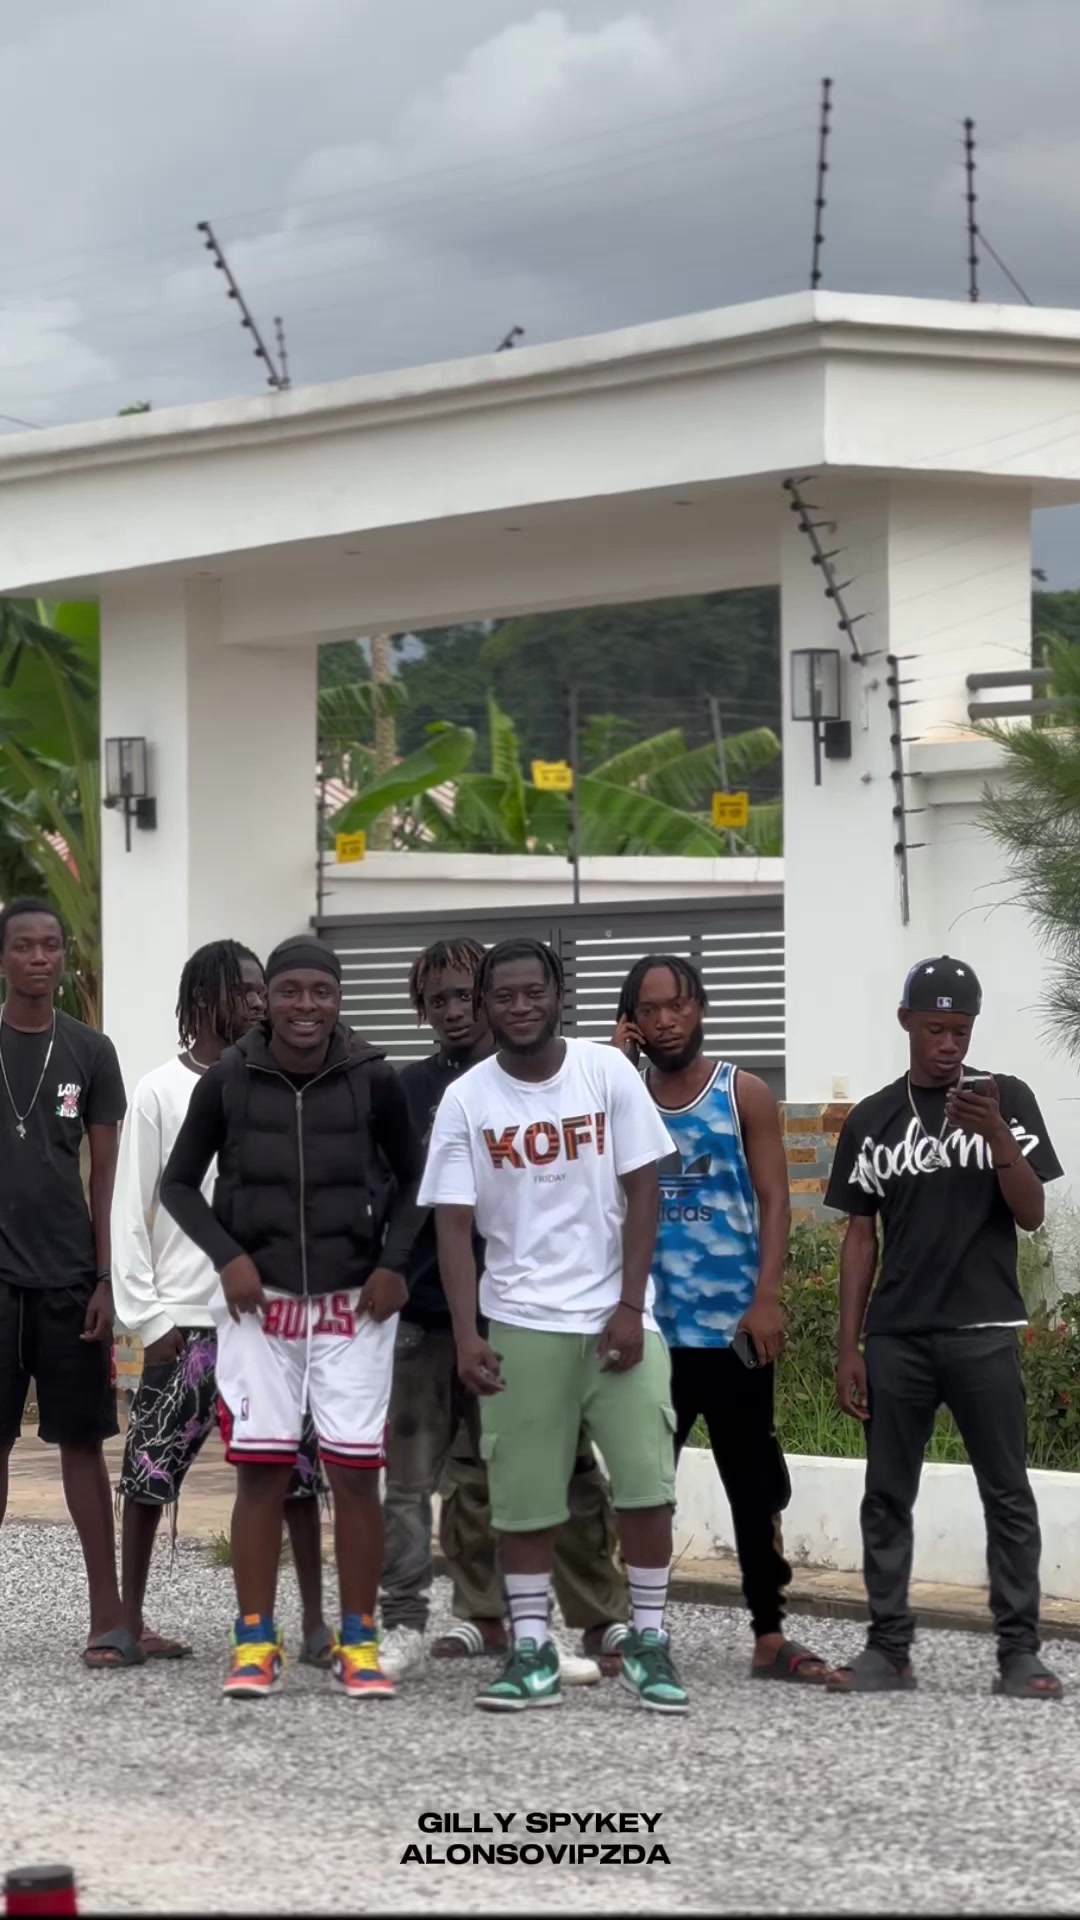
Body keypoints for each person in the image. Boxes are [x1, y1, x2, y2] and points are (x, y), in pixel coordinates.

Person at [419, 936, 687, 1714]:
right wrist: (468, 1334)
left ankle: (648, 1641)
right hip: (520, 1318)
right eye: (503, 995)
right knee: (524, 1497)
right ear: (484, 1006)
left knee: (646, 1487)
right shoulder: (467, 1099)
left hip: (617, 1320)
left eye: (533, 992)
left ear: (558, 996)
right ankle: (532, 1650)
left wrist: (630, 1306)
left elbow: (644, 1190)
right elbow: (452, 1225)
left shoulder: (607, 1074)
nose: (520, 1006)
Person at [161, 935, 424, 1701]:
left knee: (355, 1475)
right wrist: (227, 1257)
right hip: (260, 1307)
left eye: (321, 992)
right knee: (262, 1472)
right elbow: (178, 1185)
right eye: (290, 991)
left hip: (353, 1307)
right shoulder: (229, 1079)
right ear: (266, 999)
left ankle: (359, 1642)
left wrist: (392, 1265)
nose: (305, 1006)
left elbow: (417, 1182)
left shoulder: (373, 1077)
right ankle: (254, 1640)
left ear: (338, 999)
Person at [379, 937, 629, 1682]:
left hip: (531, 1311)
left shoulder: (544, 1080)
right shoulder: (408, 1090)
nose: (454, 1011)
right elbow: (394, 1193)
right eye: (438, 1001)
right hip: (428, 1316)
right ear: (421, 1011)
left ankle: (599, 1616)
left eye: (465, 995)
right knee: (433, 1479)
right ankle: (475, 1616)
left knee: (567, 1469)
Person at [825, 955, 1063, 1698]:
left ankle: (1019, 1653)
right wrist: (848, 1346)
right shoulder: (872, 1118)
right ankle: (888, 1649)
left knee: (1008, 1493)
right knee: (887, 1495)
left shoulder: (1006, 1099)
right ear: (907, 1023)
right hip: (897, 1335)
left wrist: (998, 1138)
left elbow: (1031, 1214)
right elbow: (859, 1236)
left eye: (960, 1030)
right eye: (935, 1029)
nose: (949, 1044)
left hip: (985, 1329)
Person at [613, 953, 831, 1684]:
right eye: (648, 1010)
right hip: (651, 1332)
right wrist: (616, 1068)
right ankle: (634, 1629)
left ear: (700, 1008)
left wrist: (766, 1298)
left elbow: (775, 1200)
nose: (665, 1021)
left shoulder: (744, 1092)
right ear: (632, 1023)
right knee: (645, 1486)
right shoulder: (620, 1098)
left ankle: (770, 1635)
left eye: (677, 1005)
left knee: (753, 1484)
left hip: (733, 1330)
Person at [111, 940, 330, 1664]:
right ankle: (128, 1622)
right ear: (203, 998)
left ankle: (313, 1625)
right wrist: (149, 1320)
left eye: (264, 989)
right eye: (246, 990)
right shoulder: (159, 1091)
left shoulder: (277, 1081)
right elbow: (131, 1211)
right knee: (149, 1473)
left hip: (272, 1320)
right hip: (186, 1322)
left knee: (296, 1476)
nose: (261, 1002)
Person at [0, 898, 131, 1668]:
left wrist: (106, 1277)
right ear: (4, 958)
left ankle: (107, 1616)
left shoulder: (90, 1051)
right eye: (24, 946)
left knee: (82, 1444)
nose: (40, 958)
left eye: (50, 945)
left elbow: (105, 1174)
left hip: (70, 1282)